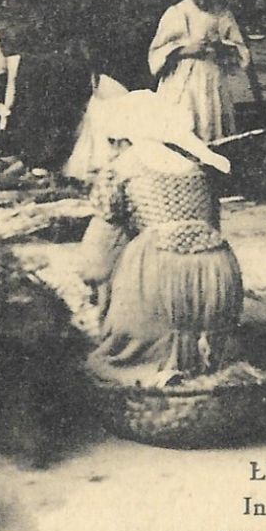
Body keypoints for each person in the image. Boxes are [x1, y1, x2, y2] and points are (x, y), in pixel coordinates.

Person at [81, 90, 241, 377]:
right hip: (218, 278)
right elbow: (212, 226)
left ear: (123, 137)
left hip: (162, 274)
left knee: (117, 352)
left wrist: (105, 294)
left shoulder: (120, 170)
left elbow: (94, 261)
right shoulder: (196, 168)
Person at [148, 0, 250, 143]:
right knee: (183, 119)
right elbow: (157, 50)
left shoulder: (222, 14)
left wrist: (222, 46)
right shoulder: (178, 13)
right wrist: (184, 50)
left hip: (211, 76)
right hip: (182, 78)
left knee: (211, 120)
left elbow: (239, 48)